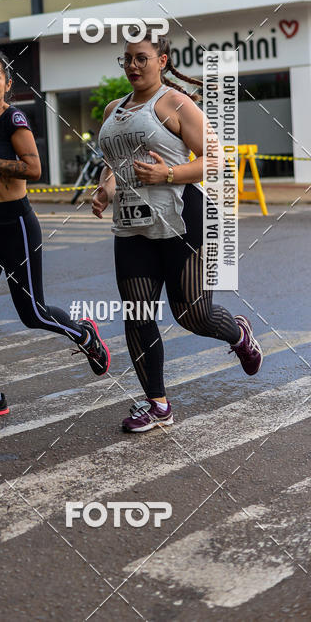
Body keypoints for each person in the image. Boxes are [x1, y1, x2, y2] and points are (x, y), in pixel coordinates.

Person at [92, 26, 262, 433]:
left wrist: (167, 173)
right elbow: (116, 161)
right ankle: (157, 403)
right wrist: (105, 189)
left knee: (192, 315)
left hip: (181, 219)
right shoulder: (114, 109)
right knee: (137, 314)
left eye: (141, 58)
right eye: (127, 59)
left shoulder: (174, 103)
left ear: (162, 61)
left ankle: (238, 332)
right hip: (131, 227)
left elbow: (217, 158)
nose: (132, 65)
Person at [0, 49, 111, 422]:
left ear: (7, 83)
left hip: (16, 225)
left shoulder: (14, 119)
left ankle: (84, 334)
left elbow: (33, 169)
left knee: (33, 313)